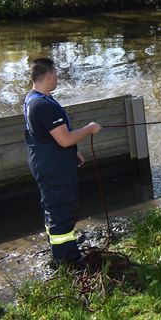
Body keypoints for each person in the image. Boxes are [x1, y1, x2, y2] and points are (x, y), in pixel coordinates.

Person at [24, 58, 102, 266]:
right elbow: (65, 139)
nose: (57, 78)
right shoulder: (43, 105)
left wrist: (74, 152)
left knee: (53, 207)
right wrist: (89, 129)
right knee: (62, 209)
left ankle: (60, 248)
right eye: (56, 74)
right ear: (49, 75)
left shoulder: (34, 98)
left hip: (47, 161)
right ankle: (68, 260)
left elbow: (49, 136)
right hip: (54, 167)